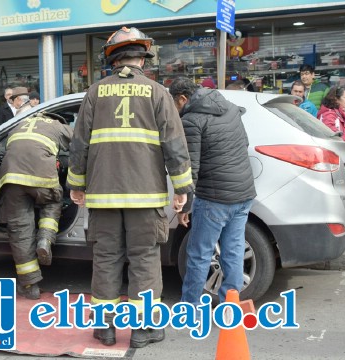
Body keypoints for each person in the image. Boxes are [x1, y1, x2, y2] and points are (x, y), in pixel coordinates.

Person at [67, 26, 193, 348]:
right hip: (145, 197)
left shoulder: (95, 92)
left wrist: (76, 184)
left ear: (111, 58)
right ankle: (142, 330)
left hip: (103, 197)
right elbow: (175, 146)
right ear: (144, 57)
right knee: (145, 261)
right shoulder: (157, 93)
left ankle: (105, 329)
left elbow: (79, 144)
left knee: (107, 259)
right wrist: (182, 189)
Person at [169, 76, 256, 306]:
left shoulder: (191, 119)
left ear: (183, 98)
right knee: (233, 251)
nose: (175, 111)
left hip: (215, 198)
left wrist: (184, 207)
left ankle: (190, 308)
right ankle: (230, 305)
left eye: (175, 104)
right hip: (244, 193)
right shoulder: (228, 106)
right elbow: (244, 144)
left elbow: (191, 169)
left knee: (199, 254)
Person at [0, 112, 72, 299]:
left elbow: (3, 150)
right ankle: (45, 239)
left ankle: (30, 285)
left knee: (20, 230)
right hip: (42, 175)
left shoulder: (19, 125)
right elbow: (80, 144)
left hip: (10, 178)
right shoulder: (58, 126)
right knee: (53, 202)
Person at [317, 86, 345, 190]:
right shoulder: (329, 115)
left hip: (341, 156)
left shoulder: (339, 114)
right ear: (336, 99)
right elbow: (330, 136)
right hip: (335, 157)